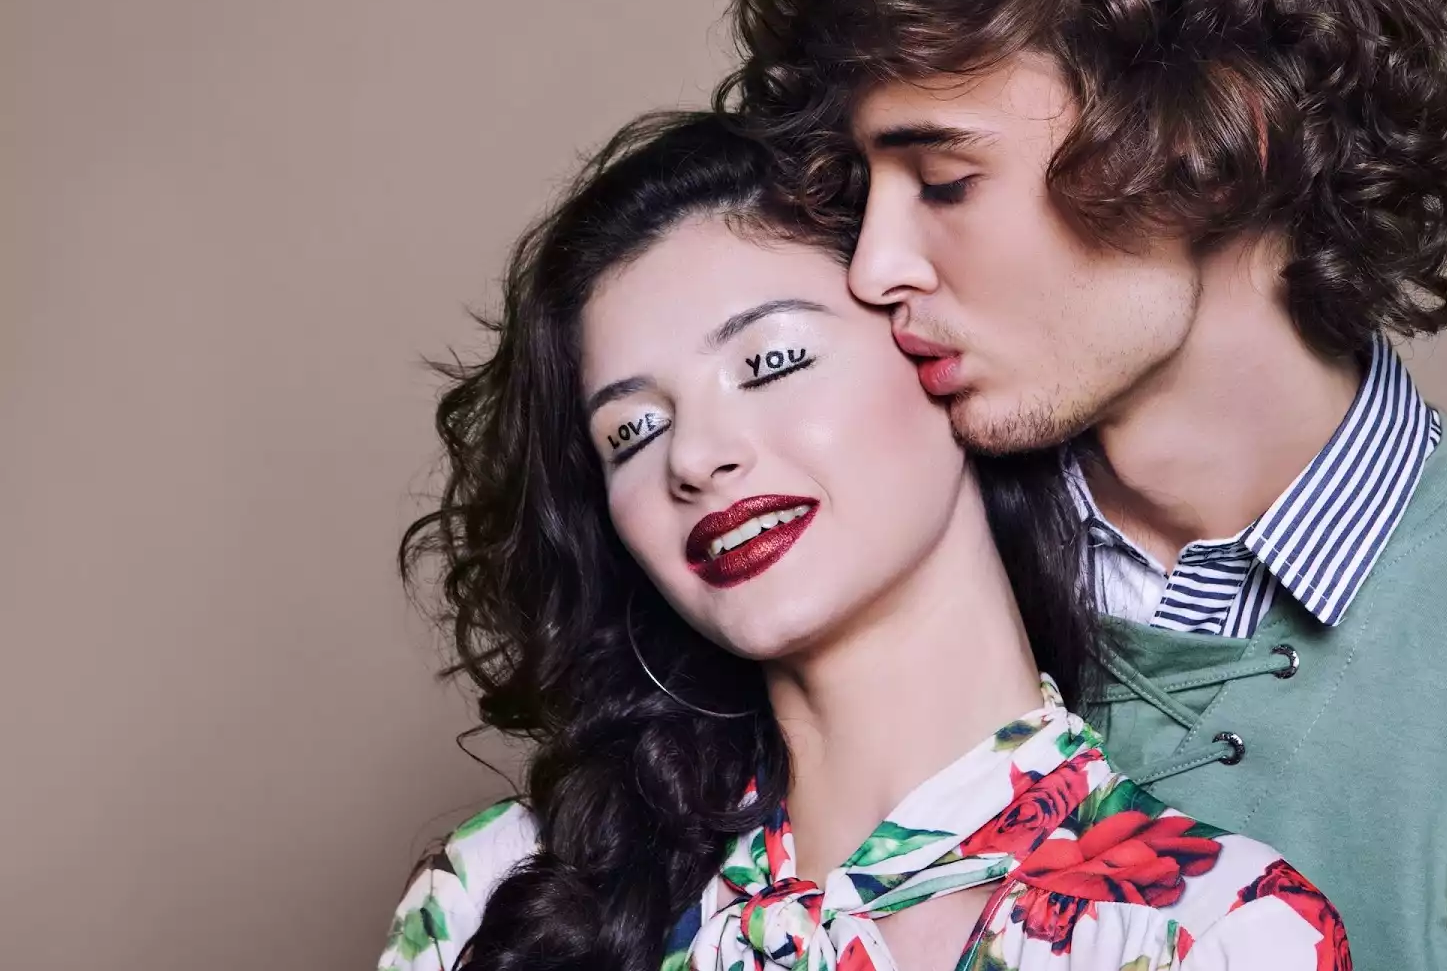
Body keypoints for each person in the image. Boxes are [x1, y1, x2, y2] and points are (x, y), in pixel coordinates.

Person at [720, 0, 1447, 968]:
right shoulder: (846, 548)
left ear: (1218, 139)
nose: (874, 265)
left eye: (945, 181)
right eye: (864, 190)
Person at [377, 111, 1351, 971]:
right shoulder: (501, 896)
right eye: (631, 430)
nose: (696, 457)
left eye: (771, 360)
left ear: (940, 355)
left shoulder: (1212, 932)